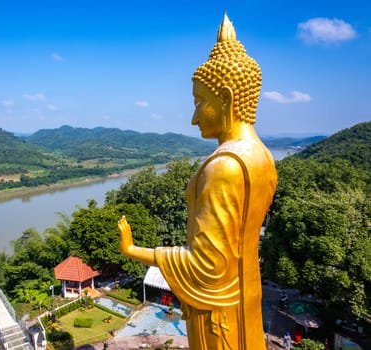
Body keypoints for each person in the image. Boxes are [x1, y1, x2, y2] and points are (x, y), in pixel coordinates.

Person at [118, 14, 277, 350]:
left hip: (216, 315)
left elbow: (207, 264)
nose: (193, 117)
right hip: (245, 296)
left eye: (200, 103)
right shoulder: (262, 157)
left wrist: (135, 251)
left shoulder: (224, 166)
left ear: (229, 99)